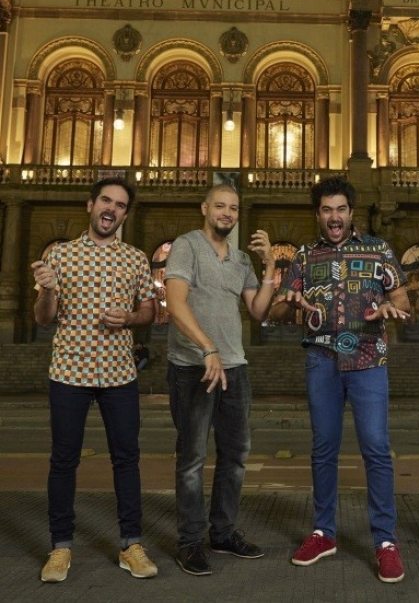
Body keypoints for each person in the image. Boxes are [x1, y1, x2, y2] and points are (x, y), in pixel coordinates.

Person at [269, 176, 410, 584]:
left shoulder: (378, 249)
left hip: (368, 360)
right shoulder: (304, 255)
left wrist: (387, 305)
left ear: (351, 212)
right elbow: (275, 314)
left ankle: (385, 541)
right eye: (327, 210)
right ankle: (323, 532)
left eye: (341, 209)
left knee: (377, 449)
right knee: (323, 449)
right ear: (319, 215)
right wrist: (288, 300)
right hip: (321, 361)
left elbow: (402, 298)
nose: (335, 217)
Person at [32, 177, 158, 583]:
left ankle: (131, 544)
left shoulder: (136, 258)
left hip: (119, 373)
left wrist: (131, 319)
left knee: (127, 459)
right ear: (91, 205)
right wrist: (48, 290)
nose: (111, 209)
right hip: (69, 372)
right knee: (63, 461)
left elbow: (149, 311)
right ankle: (60, 548)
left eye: (120, 205)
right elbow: (44, 317)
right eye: (106, 200)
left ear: (125, 213)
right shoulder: (61, 255)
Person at [165, 183, 276, 576]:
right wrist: (206, 348)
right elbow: (174, 302)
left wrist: (268, 270)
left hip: (234, 368)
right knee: (192, 458)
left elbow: (259, 312)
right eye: (220, 206)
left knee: (235, 457)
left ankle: (223, 533)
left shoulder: (242, 259)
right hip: (192, 368)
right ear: (205, 208)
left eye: (233, 208)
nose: (227, 213)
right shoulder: (187, 245)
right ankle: (190, 541)